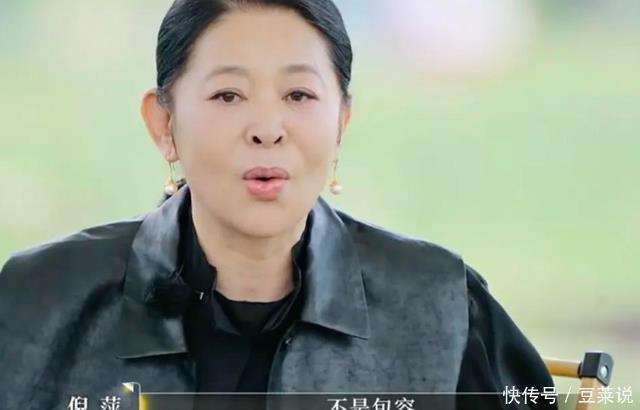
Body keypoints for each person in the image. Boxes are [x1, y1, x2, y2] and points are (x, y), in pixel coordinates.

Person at [0, 1, 556, 409]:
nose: (267, 128)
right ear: (164, 123)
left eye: (299, 95)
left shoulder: (442, 305)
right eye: (228, 95)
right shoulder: (36, 301)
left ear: (341, 121)